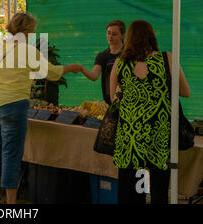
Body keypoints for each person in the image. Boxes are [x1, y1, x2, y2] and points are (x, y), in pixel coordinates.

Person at [0, 12, 81, 204]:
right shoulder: (28, 51)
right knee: (11, 153)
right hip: (12, 104)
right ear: (27, 30)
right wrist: (71, 67)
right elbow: (50, 73)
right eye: (33, 30)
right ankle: (11, 203)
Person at [109, 20, 190, 204]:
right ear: (152, 36)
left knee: (135, 191)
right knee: (159, 191)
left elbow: (113, 99)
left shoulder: (120, 64)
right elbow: (185, 92)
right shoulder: (167, 58)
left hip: (131, 140)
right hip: (158, 136)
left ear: (128, 38)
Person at [79, 20, 126, 105]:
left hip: (128, 100)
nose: (110, 36)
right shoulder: (102, 55)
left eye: (114, 34)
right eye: (108, 33)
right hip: (109, 102)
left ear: (122, 35)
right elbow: (94, 76)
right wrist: (81, 68)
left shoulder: (130, 54)